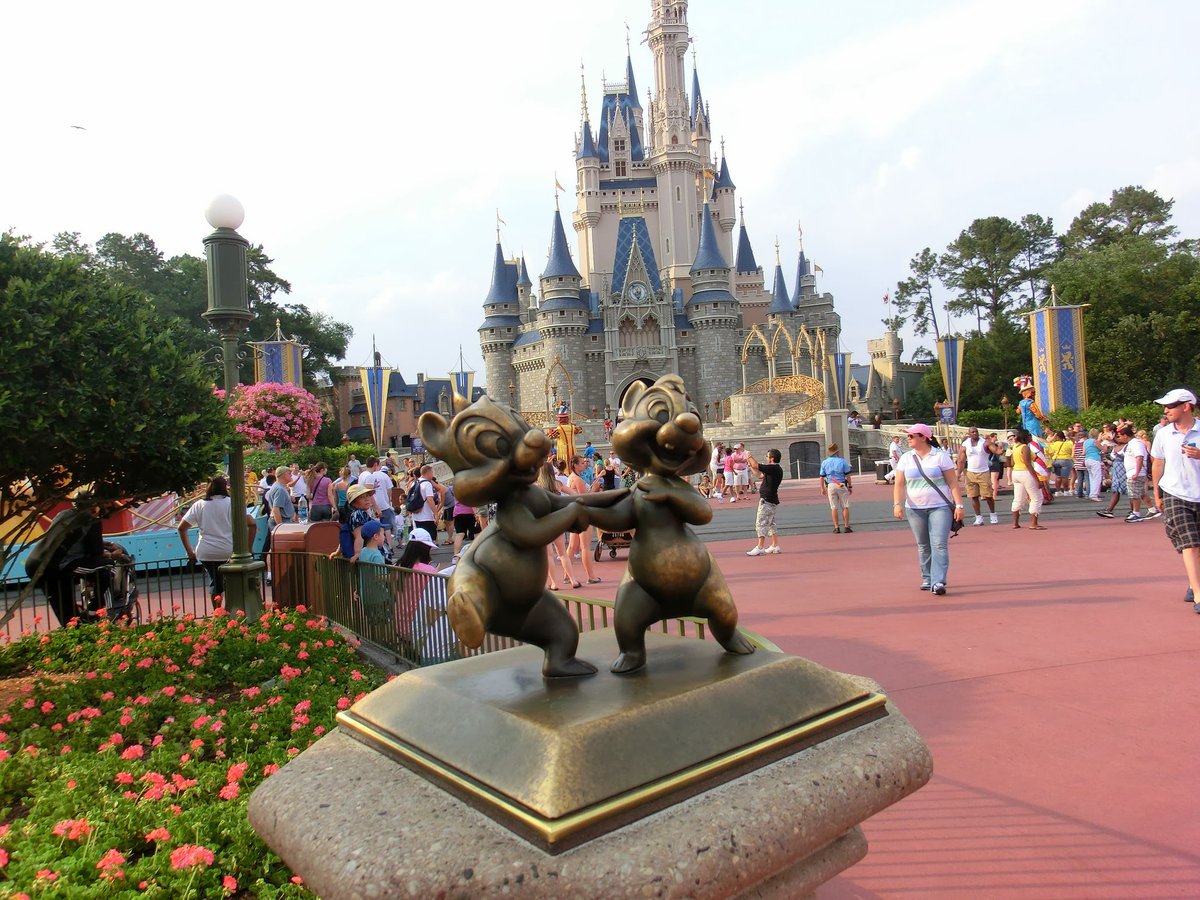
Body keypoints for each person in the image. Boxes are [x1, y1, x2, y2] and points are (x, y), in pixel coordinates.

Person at [893, 423, 964, 596]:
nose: (908, 439)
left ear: (923, 437)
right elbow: (899, 484)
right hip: (915, 507)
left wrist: (959, 505)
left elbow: (952, 482)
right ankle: (927, 576)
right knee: (923, 544)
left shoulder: (940, 456)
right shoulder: (906, 458)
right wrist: (897, 503)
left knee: (939, 544)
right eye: (908, 436)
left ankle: (938, 580)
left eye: (911, 436)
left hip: (940, 506)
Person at [1149, 388, 1200, 611]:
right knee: (1191, 544)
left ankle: (1193, 582)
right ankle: (1199, 595)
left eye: (1171, 406)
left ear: (1186, 406)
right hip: (1175, 493)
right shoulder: (1162, 433)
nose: (1166, 410)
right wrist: (1157, 494)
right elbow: (1157, 463)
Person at [29, 489, 108, 627]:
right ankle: (93, 610)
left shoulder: (63, 515)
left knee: (63, 607)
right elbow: (96, 553)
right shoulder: (91, 521)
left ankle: (76, 625)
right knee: (108, 568)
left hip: (35, 562)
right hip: (57, 566)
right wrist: (110, 554)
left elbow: (68, 538)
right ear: (94, 506)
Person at [178, 476, 257, 608]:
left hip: (206, 552)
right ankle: (234, 611)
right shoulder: (233, 503)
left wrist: (190, 552)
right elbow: (252, 524)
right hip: (229, 551)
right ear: (225, 487)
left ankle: (217, 613)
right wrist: (248, 548)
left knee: (215, 583)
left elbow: (181, 528)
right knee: (233, 583)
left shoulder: (199, 505)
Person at [565, 454, 601, 583]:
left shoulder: (571, 478)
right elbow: (584, 499)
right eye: (581, 463)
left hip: (574, 515)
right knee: (585, 547)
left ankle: (566, 575)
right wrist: (595, 489)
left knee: (572, 546)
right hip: (582, 515)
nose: (584, 464)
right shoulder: (578, 480)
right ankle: (591, 576)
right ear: (575, 465)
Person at [958, 427, 1000, 525]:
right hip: (970, 473)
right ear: (969, 434)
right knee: (974, 496)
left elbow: (995, 450)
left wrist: (1000, 450)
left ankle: (993, 514)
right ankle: (978, 517)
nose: (975, 433)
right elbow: (961, 460)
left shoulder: (984, 442)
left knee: (988, 496)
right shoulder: (965, 444)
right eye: (972, 432)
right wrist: (958, 473)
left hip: (983, 472)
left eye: (976, 431)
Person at [745, 449, 783, 555]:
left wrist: (749, 456)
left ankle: (760, 547)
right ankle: (775, 545)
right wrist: (750, 466)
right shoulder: (773, 469)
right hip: (771, 499)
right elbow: (759, 475)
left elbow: (756, 465)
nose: (766, 458)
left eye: (767, 456)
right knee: (771, 523)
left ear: (772, 458)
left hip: (767, 500)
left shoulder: (773, 467)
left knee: (761, 523)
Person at [1009, 428, 1046, 530]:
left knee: (1018, 498)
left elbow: (1011, 462)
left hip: (1016, 472)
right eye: (1029, 435)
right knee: (1036, 497)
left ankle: (1015, 523)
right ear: (1025, 437)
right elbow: (1028, 464)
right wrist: (1037, 480)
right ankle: (1034, 523)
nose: (1030, 437)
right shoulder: (1025, 447)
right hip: (1025, 472)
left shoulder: (1015, 447)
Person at [333, 484, 376, 561]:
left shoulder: (356, 514)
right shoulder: (358, 514)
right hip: (365, 557)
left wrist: (337, 552)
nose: (366, 499)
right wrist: (357, 554)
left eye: (367, 496)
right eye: (362, 497)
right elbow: (359, 536)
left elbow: (347, 535)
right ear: (353, 502)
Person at [819, 443, 854, 534]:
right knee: (845, 506)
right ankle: (846, 526)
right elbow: (848, 475)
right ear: (837, 452)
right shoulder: (842, 461)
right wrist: (850, 486)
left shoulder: (825, 462)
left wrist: (822, 488)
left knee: (833, 507)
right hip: (841, 484)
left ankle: (836, 527)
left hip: (830, 484)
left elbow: (822, 477)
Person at [409, 464, 440, 543]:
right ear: (428, 472)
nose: (432, 474)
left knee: (420, 539)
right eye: (432, 472)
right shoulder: (427, 484)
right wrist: (436, 513)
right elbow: (430, 499)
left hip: (416, 515)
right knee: (430, 538)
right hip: (426, 516)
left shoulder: (414, 483)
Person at [1083, 429, 1104, 501]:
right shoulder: (1095, 441)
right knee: (1097, 477)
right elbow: (1103, 449)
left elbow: (1084, 452)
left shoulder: (1085, 442)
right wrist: (1105, 445)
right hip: (1095, 459)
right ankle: (1094, 494)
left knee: (1091, 478)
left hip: (1087, 459)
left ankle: (1091, 493)